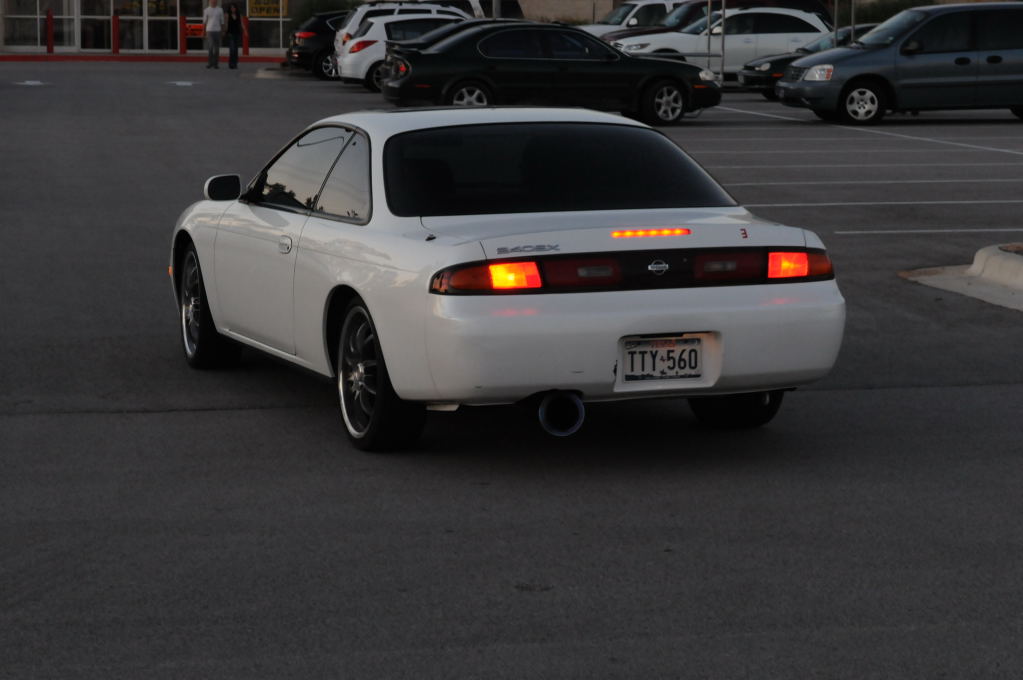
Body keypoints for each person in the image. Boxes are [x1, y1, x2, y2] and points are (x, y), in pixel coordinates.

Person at [202, 0, 224, 69]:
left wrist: (222, 31)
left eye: (214, 1)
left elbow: (222, 21)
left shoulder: (220, 10)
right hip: (209, 31)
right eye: (212, 1)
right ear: (210, 1)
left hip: (217, 30)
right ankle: (210, 63)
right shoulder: (206, 10)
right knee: (211, 47)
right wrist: (203, 32)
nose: (213, 1)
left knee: (217, 49)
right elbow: (204, 22)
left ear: (216, 1)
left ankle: (216, 64)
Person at [224, 3, 246, 69]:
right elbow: (225, 24)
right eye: (231, 8)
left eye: (233, 8)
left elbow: (242, 24)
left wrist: (245, 31)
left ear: (236, 8)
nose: (232, 9)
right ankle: (231, 64)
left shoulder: (239, 15)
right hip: (230, 33)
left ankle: (235, 63)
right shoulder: (227, 15)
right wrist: (224, 31)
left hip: (237, 33)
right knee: (232, 49)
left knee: (236, 49)